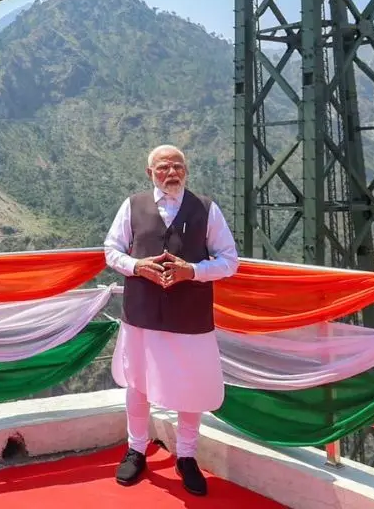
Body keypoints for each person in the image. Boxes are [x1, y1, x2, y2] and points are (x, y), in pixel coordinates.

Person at [103, 144, 239, 496]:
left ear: (187, 171)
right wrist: (137, 267)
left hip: (190, 315)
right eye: (163, 167)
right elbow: (111, 250)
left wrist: (191, 271)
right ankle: (136, 448)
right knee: (138, 383)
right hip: (142, 313)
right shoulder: (132, 206)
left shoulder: (207, 209)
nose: (172, 172)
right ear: (150, 173)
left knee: (190, 387)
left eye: (178, 166)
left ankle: (187, 456)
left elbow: (229, 261)